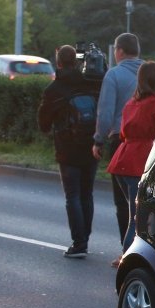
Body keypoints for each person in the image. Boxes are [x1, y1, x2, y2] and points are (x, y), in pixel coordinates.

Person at [92, 33, 155, 265]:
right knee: (139, 213)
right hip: (142, 157)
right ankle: (130, 256)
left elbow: (107, 113)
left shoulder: (125, 92)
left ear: (118, 51)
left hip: (121, 153)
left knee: (125, 208)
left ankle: (127, 249)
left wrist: (99, 139)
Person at [38, 44, 102, 259]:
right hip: (92, 146)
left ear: (58, 63)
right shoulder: (92, 83)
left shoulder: (54, 89)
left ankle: (79, 243)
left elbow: (43, 123)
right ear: (76, 61)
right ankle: (85, 237)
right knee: (87, 194)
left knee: (72, 195)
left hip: (67, 149)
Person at [106, 61, 155, 265]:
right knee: (138, 218)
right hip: (138, 162)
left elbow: (124, 132)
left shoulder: (131, 103)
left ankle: (127, 254)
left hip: (121, 160)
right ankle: (126, 258)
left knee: (132, 213)